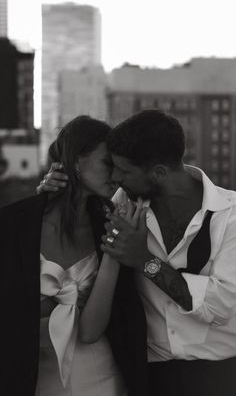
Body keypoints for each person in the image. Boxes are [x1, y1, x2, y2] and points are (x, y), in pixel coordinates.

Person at [41, 108, 236, 396]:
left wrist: (145, 261)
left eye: (123, 170)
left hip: (220, 377)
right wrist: (50, 191)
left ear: (158, 173)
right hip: (146, 377)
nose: (115, 177)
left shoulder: (231, 216)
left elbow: (218, 306)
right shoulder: (122, 206)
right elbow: (68, 221)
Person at [0, 115, 132, 396]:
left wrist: (113, 252)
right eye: (108, 163)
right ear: (76, 161)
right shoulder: (13, 225)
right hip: (31, 377)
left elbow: (90, 332)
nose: (117, 176)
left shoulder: (109, 226)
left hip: (99, 377)